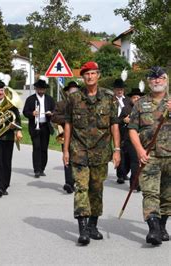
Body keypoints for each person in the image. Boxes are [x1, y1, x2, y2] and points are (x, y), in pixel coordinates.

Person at [63, 61, 121, 245]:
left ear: (99, 75)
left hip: (101, 152)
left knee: (96, 189)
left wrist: (117, 149)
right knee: (81, 188)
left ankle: (93, 225)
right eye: (86, 74)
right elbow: (68, 124)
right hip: (78, 151)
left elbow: (114, 124)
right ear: (83, 77)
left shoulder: (108, 97)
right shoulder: (74, 98)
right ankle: (82, 229)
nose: (90, 77)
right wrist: (65, 150)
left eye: (93, 73)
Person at [128, 66, 170, 246]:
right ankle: (153, 229)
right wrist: (139, 150)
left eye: (160, 78)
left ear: (166, 80)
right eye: (153, 78)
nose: (157, 81)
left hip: (170, 156)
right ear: (148, 81)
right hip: (149, 156)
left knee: (167, 195)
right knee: (150, 193)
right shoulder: (140, 103)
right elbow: (132, 129)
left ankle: (162, 226)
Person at [23, 79, 55, 178]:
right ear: (36, 89)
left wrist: (51, 113)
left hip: (45, 125)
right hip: (35, 126)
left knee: (44, 148)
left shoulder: (49, 99)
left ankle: (42, 168)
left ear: (45, 89)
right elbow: (25, 112)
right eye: (39, 89)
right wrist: (32, 113)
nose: (41, 91)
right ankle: (36, 169)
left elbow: (55, 110)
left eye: (43, 89)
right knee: (36, 147)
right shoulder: (30, 99)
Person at [52, 81, 79, 194]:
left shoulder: (83, 103)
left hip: (80, 137)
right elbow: (54, 117)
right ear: (67, 93)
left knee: (78, 160)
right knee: (67, 159)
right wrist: (68, 119)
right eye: (71, 91)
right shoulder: (61, 104)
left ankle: (78, 181)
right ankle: (69, 183)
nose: (73, 93)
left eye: (75, 91)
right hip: (66, 136)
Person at [121, 87, 144, 191]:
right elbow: (118, 121)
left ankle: (139, 181)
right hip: (129, 138)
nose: (136, 99)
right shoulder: (126, 108)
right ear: (131, 98)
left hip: (143, 138)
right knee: (135, 160)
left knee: (139, 161)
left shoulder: (145, 108)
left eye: (138, 97)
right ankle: (134, 184)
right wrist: (124, 120)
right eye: (134, 97)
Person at [112, 78, 132, 184]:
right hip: (113, 127)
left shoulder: (128, 101)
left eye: (121, 89)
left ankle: (124, 172)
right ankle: (120, 175)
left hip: (125, 129)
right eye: (118, 89)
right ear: (114, 90)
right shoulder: (110, 100)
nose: (120, 91)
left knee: (126, 151)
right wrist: (121, 120)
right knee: (118, 149)